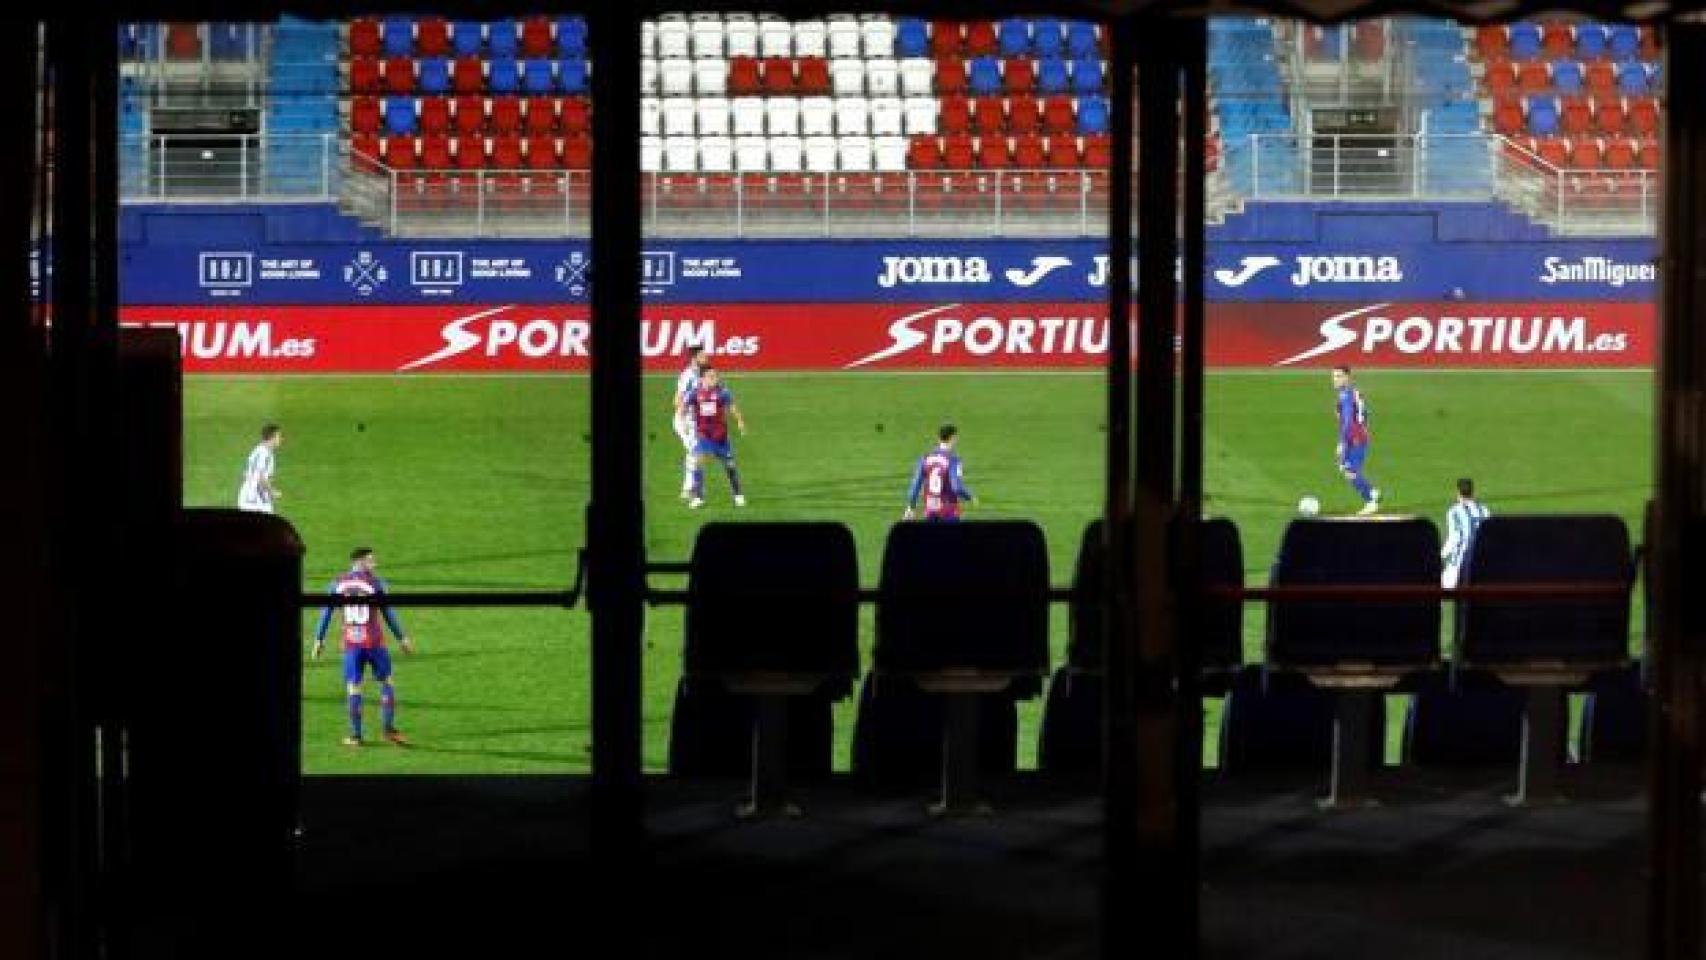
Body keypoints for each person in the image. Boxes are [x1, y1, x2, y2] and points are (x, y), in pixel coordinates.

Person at [311, 548, 416, 746]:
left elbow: (326, 612)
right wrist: (402, 638)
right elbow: (388, 613)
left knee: (353, 688)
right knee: (387, 683)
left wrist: (319, 640)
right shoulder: (376, 584)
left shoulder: (337, 584)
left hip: (351, 645)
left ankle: (356, 736)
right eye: (370, 561)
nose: (374, 565)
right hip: (375, 643)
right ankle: (388, 730)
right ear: (359, 562)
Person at [683, 366, 747, 509]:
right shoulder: (695, 393)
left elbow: (732, 408)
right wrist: (684, 421)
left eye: (715, 376)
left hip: (720, 436)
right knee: (698, 461)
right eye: (710, 376)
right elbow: (684, 407)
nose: (714, 379)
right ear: (702, 379)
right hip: (703, 435)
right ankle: (698, 497)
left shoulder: (723, 393)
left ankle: (738, 494)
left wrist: (740, 421)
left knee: (729, 465)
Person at [1331, 366, 1381, 516]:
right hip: (1357, 436)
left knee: (1350, 471)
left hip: (1354, 439)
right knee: (1346, 469)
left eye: (1339, 376)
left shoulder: (1346, 396)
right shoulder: (1353, 393)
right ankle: (1372, 492)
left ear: (1347, 377)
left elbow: (1347, 422)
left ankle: (1371, 502)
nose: (1335, 379)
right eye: (1334, 376)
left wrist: (1342, 442)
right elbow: (1364, 414)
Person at [904, 423, 976, 521]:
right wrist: (969, 497)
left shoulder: (925, 458)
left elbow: (915, 486)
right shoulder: (953, 460)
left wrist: (911, 507)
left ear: (938, 438)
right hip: (948, 510)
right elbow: (957, 487)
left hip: (930, 509)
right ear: (953, 438)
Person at [672, 347, 711, 499]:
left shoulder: (704, 373)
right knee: (696, 453)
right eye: (703, 355)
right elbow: (676, 400)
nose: (706, 357)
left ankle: (689, 488)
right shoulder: (687, 376)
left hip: (696, 422)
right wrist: (685, 419)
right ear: (694, 358)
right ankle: (689, 489)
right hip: (686, 422)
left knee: (697, 453)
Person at [1440, 478, 1491, 589]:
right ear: (1472, 491)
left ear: (1458, 492)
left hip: (1458, 563)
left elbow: (1454, 538)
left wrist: (1441, 555)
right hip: (1481, 562)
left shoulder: (1454, 511)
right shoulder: (1484, 510)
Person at [237, 423, 283, 513]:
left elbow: (246, 474)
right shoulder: (264, 454)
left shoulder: (259, 450)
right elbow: (260, 477)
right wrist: (272, 491)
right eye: (279, 436)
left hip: (249, 494)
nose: (280, 439)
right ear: (272, 438)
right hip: (255, 497)